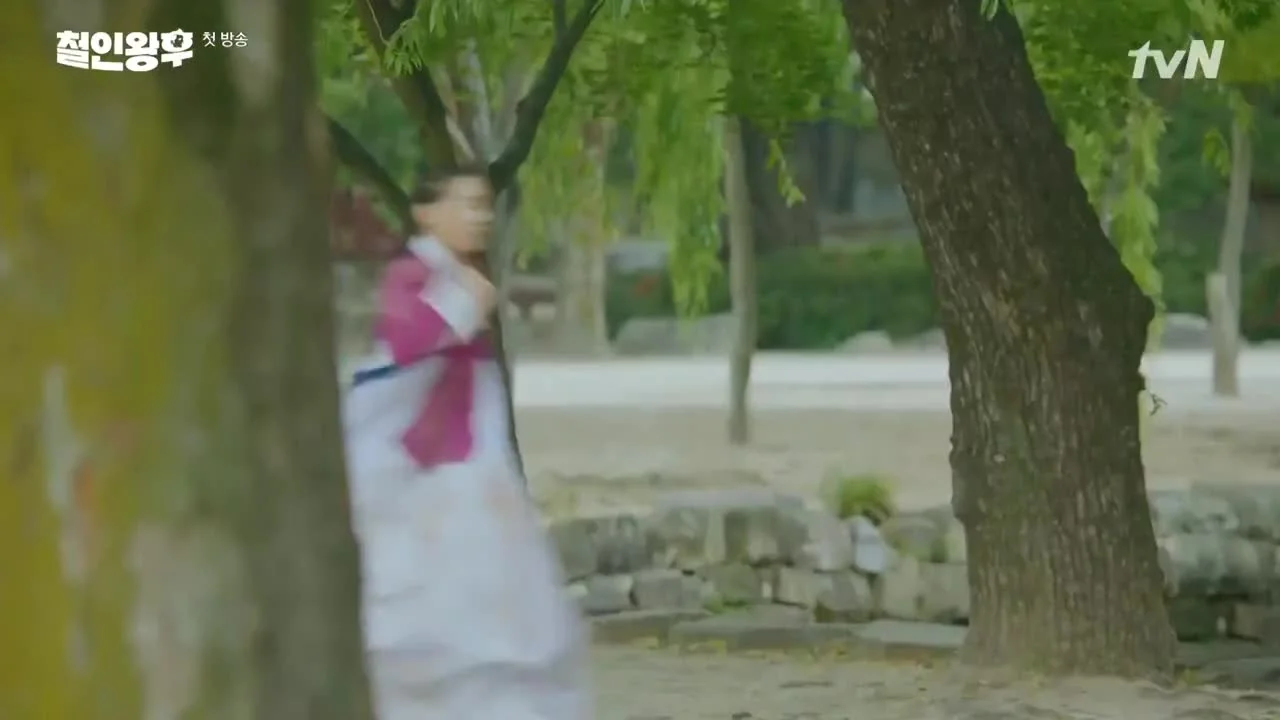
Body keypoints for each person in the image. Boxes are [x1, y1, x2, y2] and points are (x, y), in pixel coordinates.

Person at [341, 166, 591, 720]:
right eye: (464, 204)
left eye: (483, 206)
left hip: (467, 462)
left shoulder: (462, 276)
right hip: (418, 470)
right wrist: (467, 303)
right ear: (426, 213)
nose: (478, 218)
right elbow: (406, 343)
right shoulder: (414, 274)